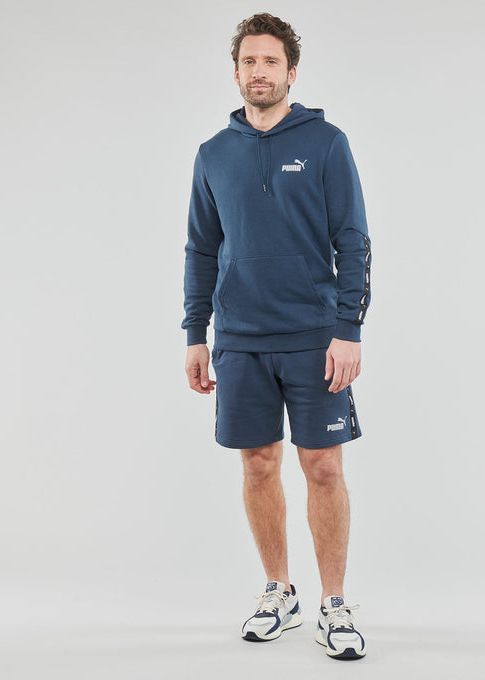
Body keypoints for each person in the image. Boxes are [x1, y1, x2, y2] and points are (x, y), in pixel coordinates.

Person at [181, 12, 371, 660]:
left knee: (324, 467)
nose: (258, 71)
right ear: (235, 71)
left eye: (270, 61)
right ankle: (279, 591)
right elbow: (201, 250)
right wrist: (195, 333)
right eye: (248, 61)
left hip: (315, 336)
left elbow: (353, 240)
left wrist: (348, 329)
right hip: (238, 338)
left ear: (292, 72)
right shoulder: (212, 154)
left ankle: (334, 604)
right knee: (258, 464)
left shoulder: (326, 143)